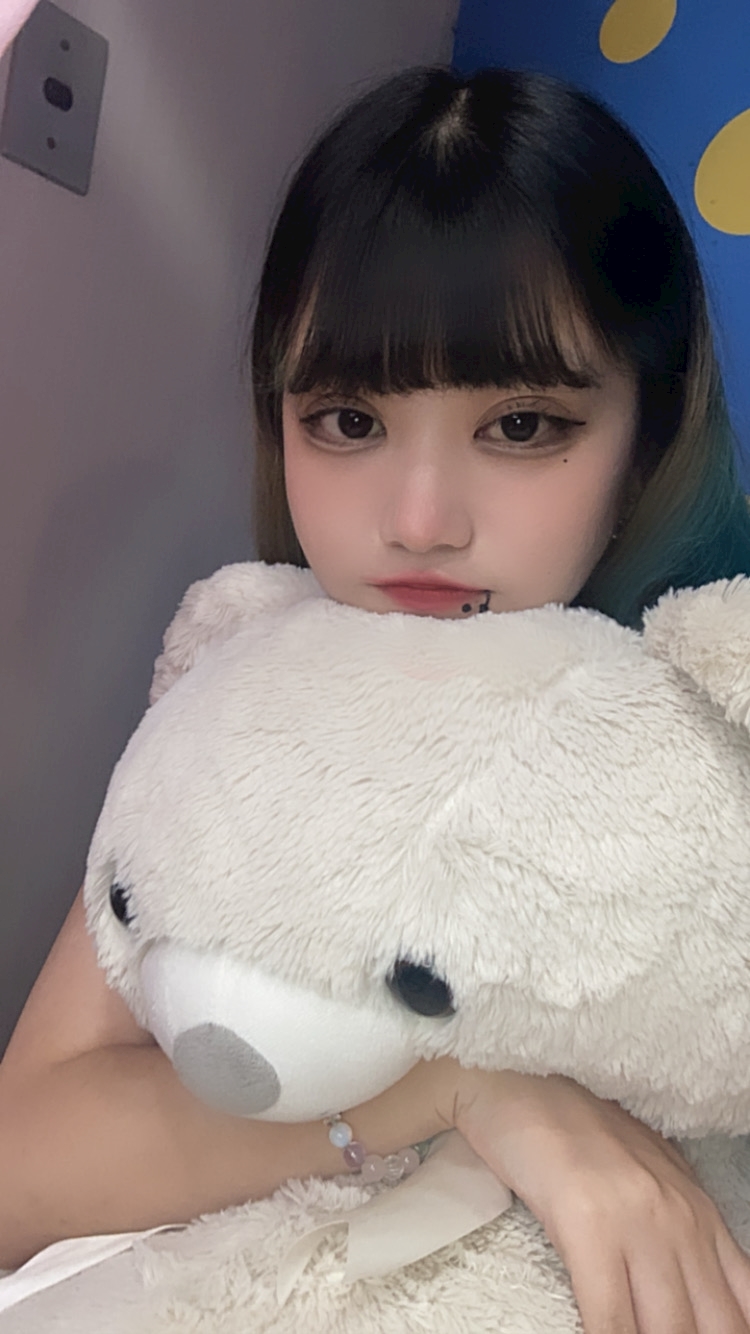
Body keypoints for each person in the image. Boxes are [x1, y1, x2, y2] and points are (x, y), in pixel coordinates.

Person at [2, 65, 750, 1334]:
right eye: (347, 419)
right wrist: (462, 1090)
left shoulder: (709, 731)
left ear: (648, 431)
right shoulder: (251, 703)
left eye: (523, 424)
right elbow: (17, 1156)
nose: (419, 520)